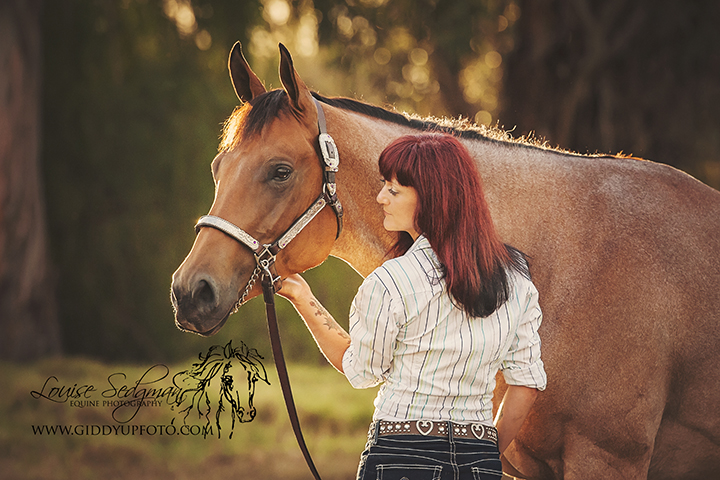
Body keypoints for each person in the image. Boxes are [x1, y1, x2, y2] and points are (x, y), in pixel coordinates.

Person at [279, 133, 546, 480]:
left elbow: (361, 371)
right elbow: (525, 385)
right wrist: (486, 457)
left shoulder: (390, 282)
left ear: (432, 199)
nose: (380, 198)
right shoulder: (517, 283)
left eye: (394, 190)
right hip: (477, 457)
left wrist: (303, 298)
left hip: (402, 453)